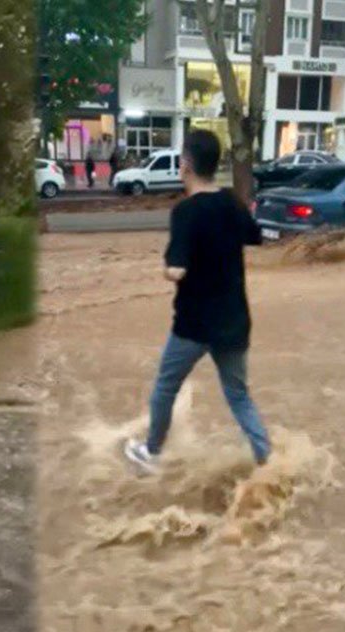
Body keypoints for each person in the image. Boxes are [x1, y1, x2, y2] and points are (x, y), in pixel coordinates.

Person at [124, 129, 270, 474]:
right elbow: (255, 236)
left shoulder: (185, 212)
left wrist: (169, 271)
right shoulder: (231, 202)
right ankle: (267, 460)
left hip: (194, 324)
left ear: (186, 164)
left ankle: (151, 452)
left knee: (166, 386)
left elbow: (176, 268)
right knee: (238, 395)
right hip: (234, 319)